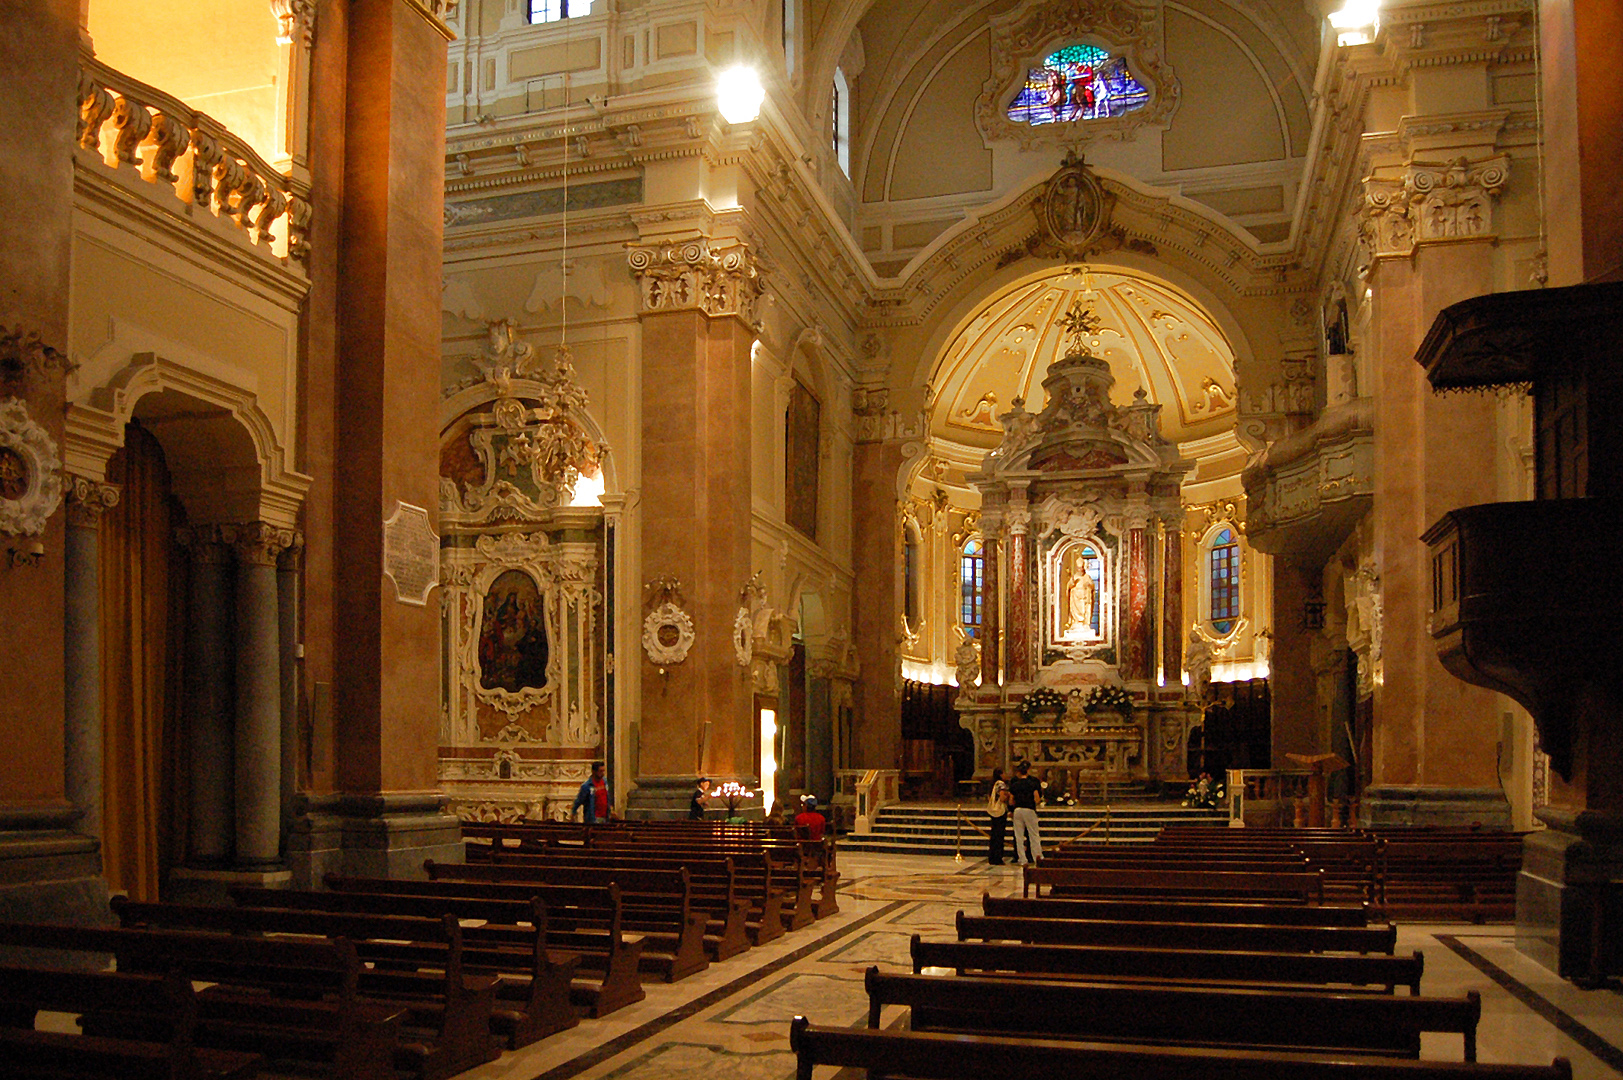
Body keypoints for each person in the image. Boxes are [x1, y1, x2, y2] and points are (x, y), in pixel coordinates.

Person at [1007, 760, 1044, 865]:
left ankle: (1022, 859)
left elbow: (1011, 800)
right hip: (1029, 809)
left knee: (1018, 836)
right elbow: (1037, 798)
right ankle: (1037, 856)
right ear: (1028, 770)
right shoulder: (1032, 783)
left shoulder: (1015, 784)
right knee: (1033, 834)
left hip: (1017, 810)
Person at [986, 767, 1011, 866]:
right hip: (1000, 811)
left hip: (993, 811)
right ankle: (997, 857)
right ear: (1001, 774)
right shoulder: (1001, 784)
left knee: (994, 834)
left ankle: (992, 856)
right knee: (999, 834)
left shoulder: (993, 784)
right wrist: (1008, 795)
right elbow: (1002, 797)